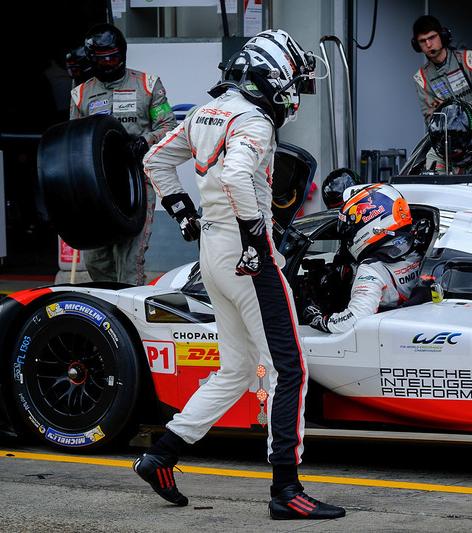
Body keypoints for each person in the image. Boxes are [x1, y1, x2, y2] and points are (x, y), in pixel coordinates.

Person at [135, 29, 345, 520]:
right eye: (292, 81)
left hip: (213, 249)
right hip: (247, 255)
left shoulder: (208, 112)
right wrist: (254, 239)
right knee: (288, 369)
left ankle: (162, 453)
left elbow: (155, 160)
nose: (294, 93)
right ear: (271, 79)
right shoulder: (254, 120)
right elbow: (233, 176)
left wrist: (184, 213)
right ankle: (285, 490)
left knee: (234, 370)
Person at [69, 23, 178, 285]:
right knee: (96, 262)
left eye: (114, 57)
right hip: (96, 189)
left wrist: (144, 141)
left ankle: (131, 321)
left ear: (124, 54)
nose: (108, 63)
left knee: (129, 265)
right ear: (91, 59)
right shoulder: (80, 94)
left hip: (136, 184)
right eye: (102, 59)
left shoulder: (149, 85)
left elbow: (170, 127)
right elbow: (70, 142)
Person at [303, 183, 422, 333]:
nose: (349, 238)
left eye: (352, 230)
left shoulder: (371, 270)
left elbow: (354, 320)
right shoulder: (420, 246)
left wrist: (320, 320)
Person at [412, 14, 472, 127]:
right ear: (417, 45)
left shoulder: (470, 59)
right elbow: (431, 123)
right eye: (423, 41)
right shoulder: (421, 78)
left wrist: (453, 111)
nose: (428, 44)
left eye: (432, 37)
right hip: (452, 140)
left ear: (443, 36)